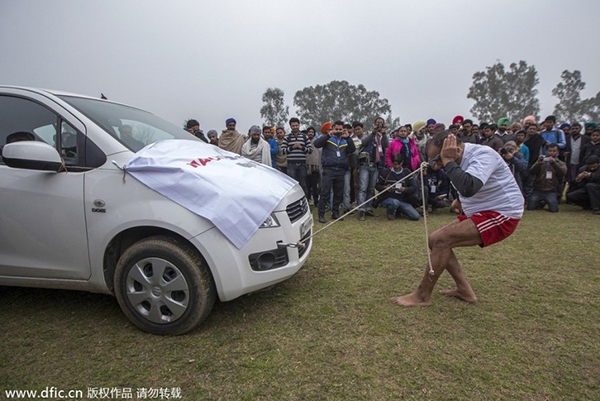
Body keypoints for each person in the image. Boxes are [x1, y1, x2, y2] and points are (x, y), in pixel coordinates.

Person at [391, 132, 523, 307]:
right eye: (434, 160)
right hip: (481, 211)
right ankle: (464, 290)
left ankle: (422, 296)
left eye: (439, 159)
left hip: (503, 213)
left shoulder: (484, 155)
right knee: (434, 240)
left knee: (443, 240)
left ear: (456, 149)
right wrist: (459, 200)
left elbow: (468, 186)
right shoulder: (457, 161)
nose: (437, 165)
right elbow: (470, 183)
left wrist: (448, 160)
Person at [314, 120, 356, 223]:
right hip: (329, 169)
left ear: (343, 129)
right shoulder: (328, 139)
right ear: (333, 128)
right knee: (325, 192)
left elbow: (352, 150)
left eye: (340, 129)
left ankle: (335, 213)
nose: (338, 131)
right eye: (336, 129)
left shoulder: (345, 141)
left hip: (341, 170)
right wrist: (328, 135)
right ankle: (321, 214)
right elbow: (316, 144)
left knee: (338, 193)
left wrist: (348, 137)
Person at [356, 117, 390, 220]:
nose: (379, 125)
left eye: (381, 123)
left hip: (376, 166)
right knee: (363, 187)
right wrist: (373, 132)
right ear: (374, 124)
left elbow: (386, 145)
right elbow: (364, 143)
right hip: (365, 165)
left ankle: (368, 207)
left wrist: (383, 133)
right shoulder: (368, 134)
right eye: (377, 123)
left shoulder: (383, 136)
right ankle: (361, 209)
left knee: (371, 188)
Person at [376, 154, 420, 221]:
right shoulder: (386, 172)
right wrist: (384, 187)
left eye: (398, 164)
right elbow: (377, 186)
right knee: (395, 202)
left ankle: (399, 210)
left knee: (416, 216)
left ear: (402, 163)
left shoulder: (407, 172)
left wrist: (405, 189)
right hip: (387, 199)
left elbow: (414, 187)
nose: (396, 166)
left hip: (401, 200)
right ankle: (390, 213)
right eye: (394, 164)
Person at [527, 143, 566, 213]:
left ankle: (544, 202)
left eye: (554, 151)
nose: (551, 153)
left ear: (557, 152)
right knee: (530, 207)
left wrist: (554, 164)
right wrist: (538, 163)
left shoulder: (560, 163)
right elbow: (532, 171)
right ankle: (541, 202)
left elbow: (562, 173)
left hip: (551, 190)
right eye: (550, 151)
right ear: (547, 151)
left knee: (554, 210)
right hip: (538, 189)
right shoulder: (541, 160)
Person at [282, 117, 312, 198]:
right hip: (291, 164)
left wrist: (301, 147)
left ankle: (305, 201)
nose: (295, 127)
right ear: (290, 126)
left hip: (302, 164)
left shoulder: (304, 137)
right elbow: (283, 151)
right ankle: (293, 201)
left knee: (303, 184)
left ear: (299, 125)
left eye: (296, 125)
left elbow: (310, 150)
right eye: (293, 126)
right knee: (291, 185)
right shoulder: (287, 137)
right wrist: (292, 147)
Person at [306, 127, 321, 207]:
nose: (310, 133)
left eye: (312, 132)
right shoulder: (305, 142)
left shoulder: (317, 142)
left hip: (315, 166)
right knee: (307, 185)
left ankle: (316, 201)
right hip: (306, 166)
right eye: (309, 132)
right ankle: (308, 200)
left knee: (315, 185)